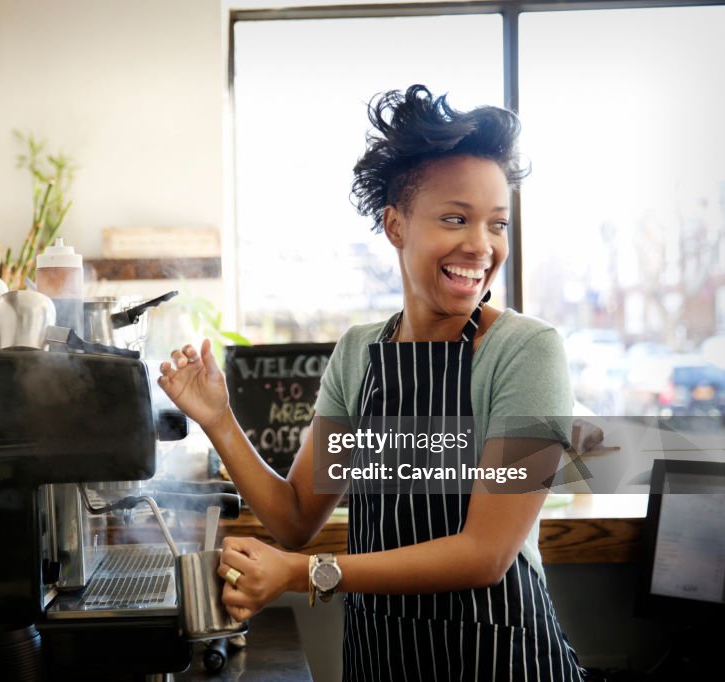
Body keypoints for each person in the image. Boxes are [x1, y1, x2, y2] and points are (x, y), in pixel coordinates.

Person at [158, 85, 586, 681]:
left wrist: (306, 573)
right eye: (455, 218)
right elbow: (295, 516)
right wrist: (218, 419)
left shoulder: (528, 351)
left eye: (498, 224)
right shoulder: (360, 353)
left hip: (500, 658)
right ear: (395, 225)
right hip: (383, 656)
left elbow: (486, 555)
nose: (481, 246)